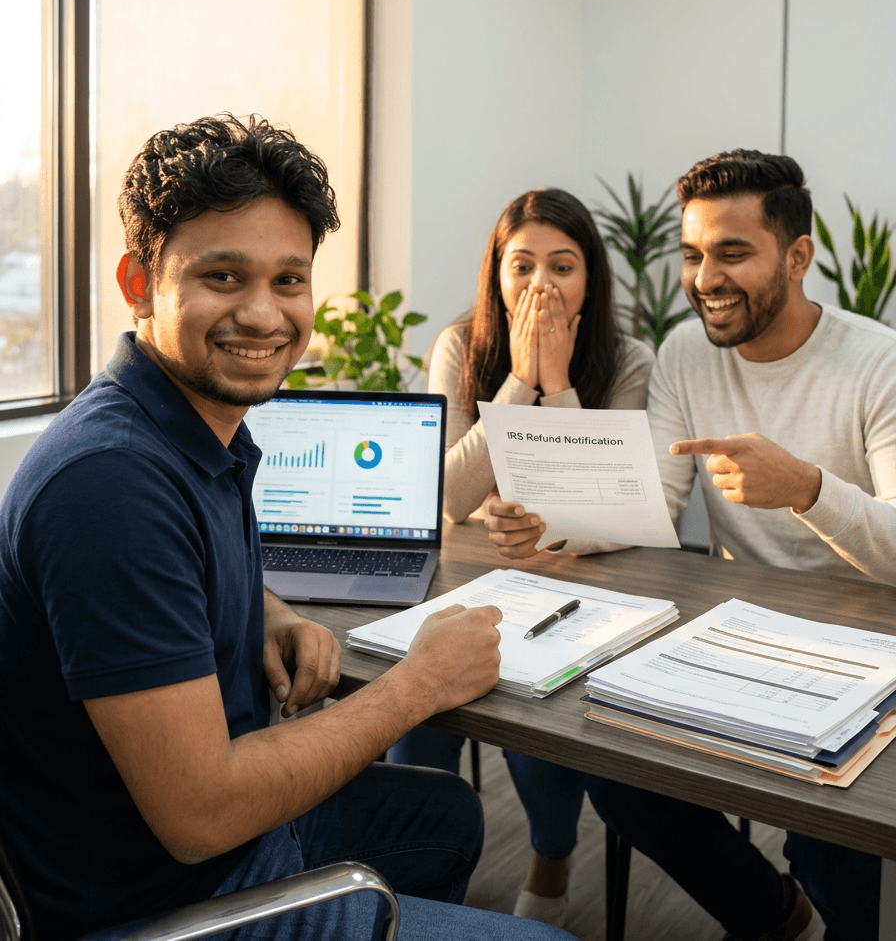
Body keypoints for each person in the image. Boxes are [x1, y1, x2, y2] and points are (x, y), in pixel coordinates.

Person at [0, 114, 576, 941]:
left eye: (289, 280)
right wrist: (415, 685)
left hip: (199, 853)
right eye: (223, 276)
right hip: (165, 901)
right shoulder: (110, 483)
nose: (264, 315)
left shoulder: (189, 428)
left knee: (442, 814)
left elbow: (182, 572)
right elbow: (202, 811)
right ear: (138, 282)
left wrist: (270, 610)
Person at [488, 149, 896, 941]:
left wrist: (809, 487)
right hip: (737, 636)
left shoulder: (877, 362)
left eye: (733, 252)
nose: (705, 276)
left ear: (799, 255)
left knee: (832, 819)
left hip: (863, 649)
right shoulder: (682, 352)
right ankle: (783, 919)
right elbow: (652, 506)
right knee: (621, 777)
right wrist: (553, 529)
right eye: (694, 253)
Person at [388, 187, 655, 926]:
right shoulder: (458, 344)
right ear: (496, 276)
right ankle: (417, 882)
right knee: (421, 692)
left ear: (590, 279)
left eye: (562, 266)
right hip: (472, 573)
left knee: (538, 695)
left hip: (582, 580)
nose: (541, 285)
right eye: (523, 265)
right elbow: (446, 495)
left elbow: (610, 507)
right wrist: (520, 382)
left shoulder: (630, 358)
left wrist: (562, 380)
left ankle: (551, 851)